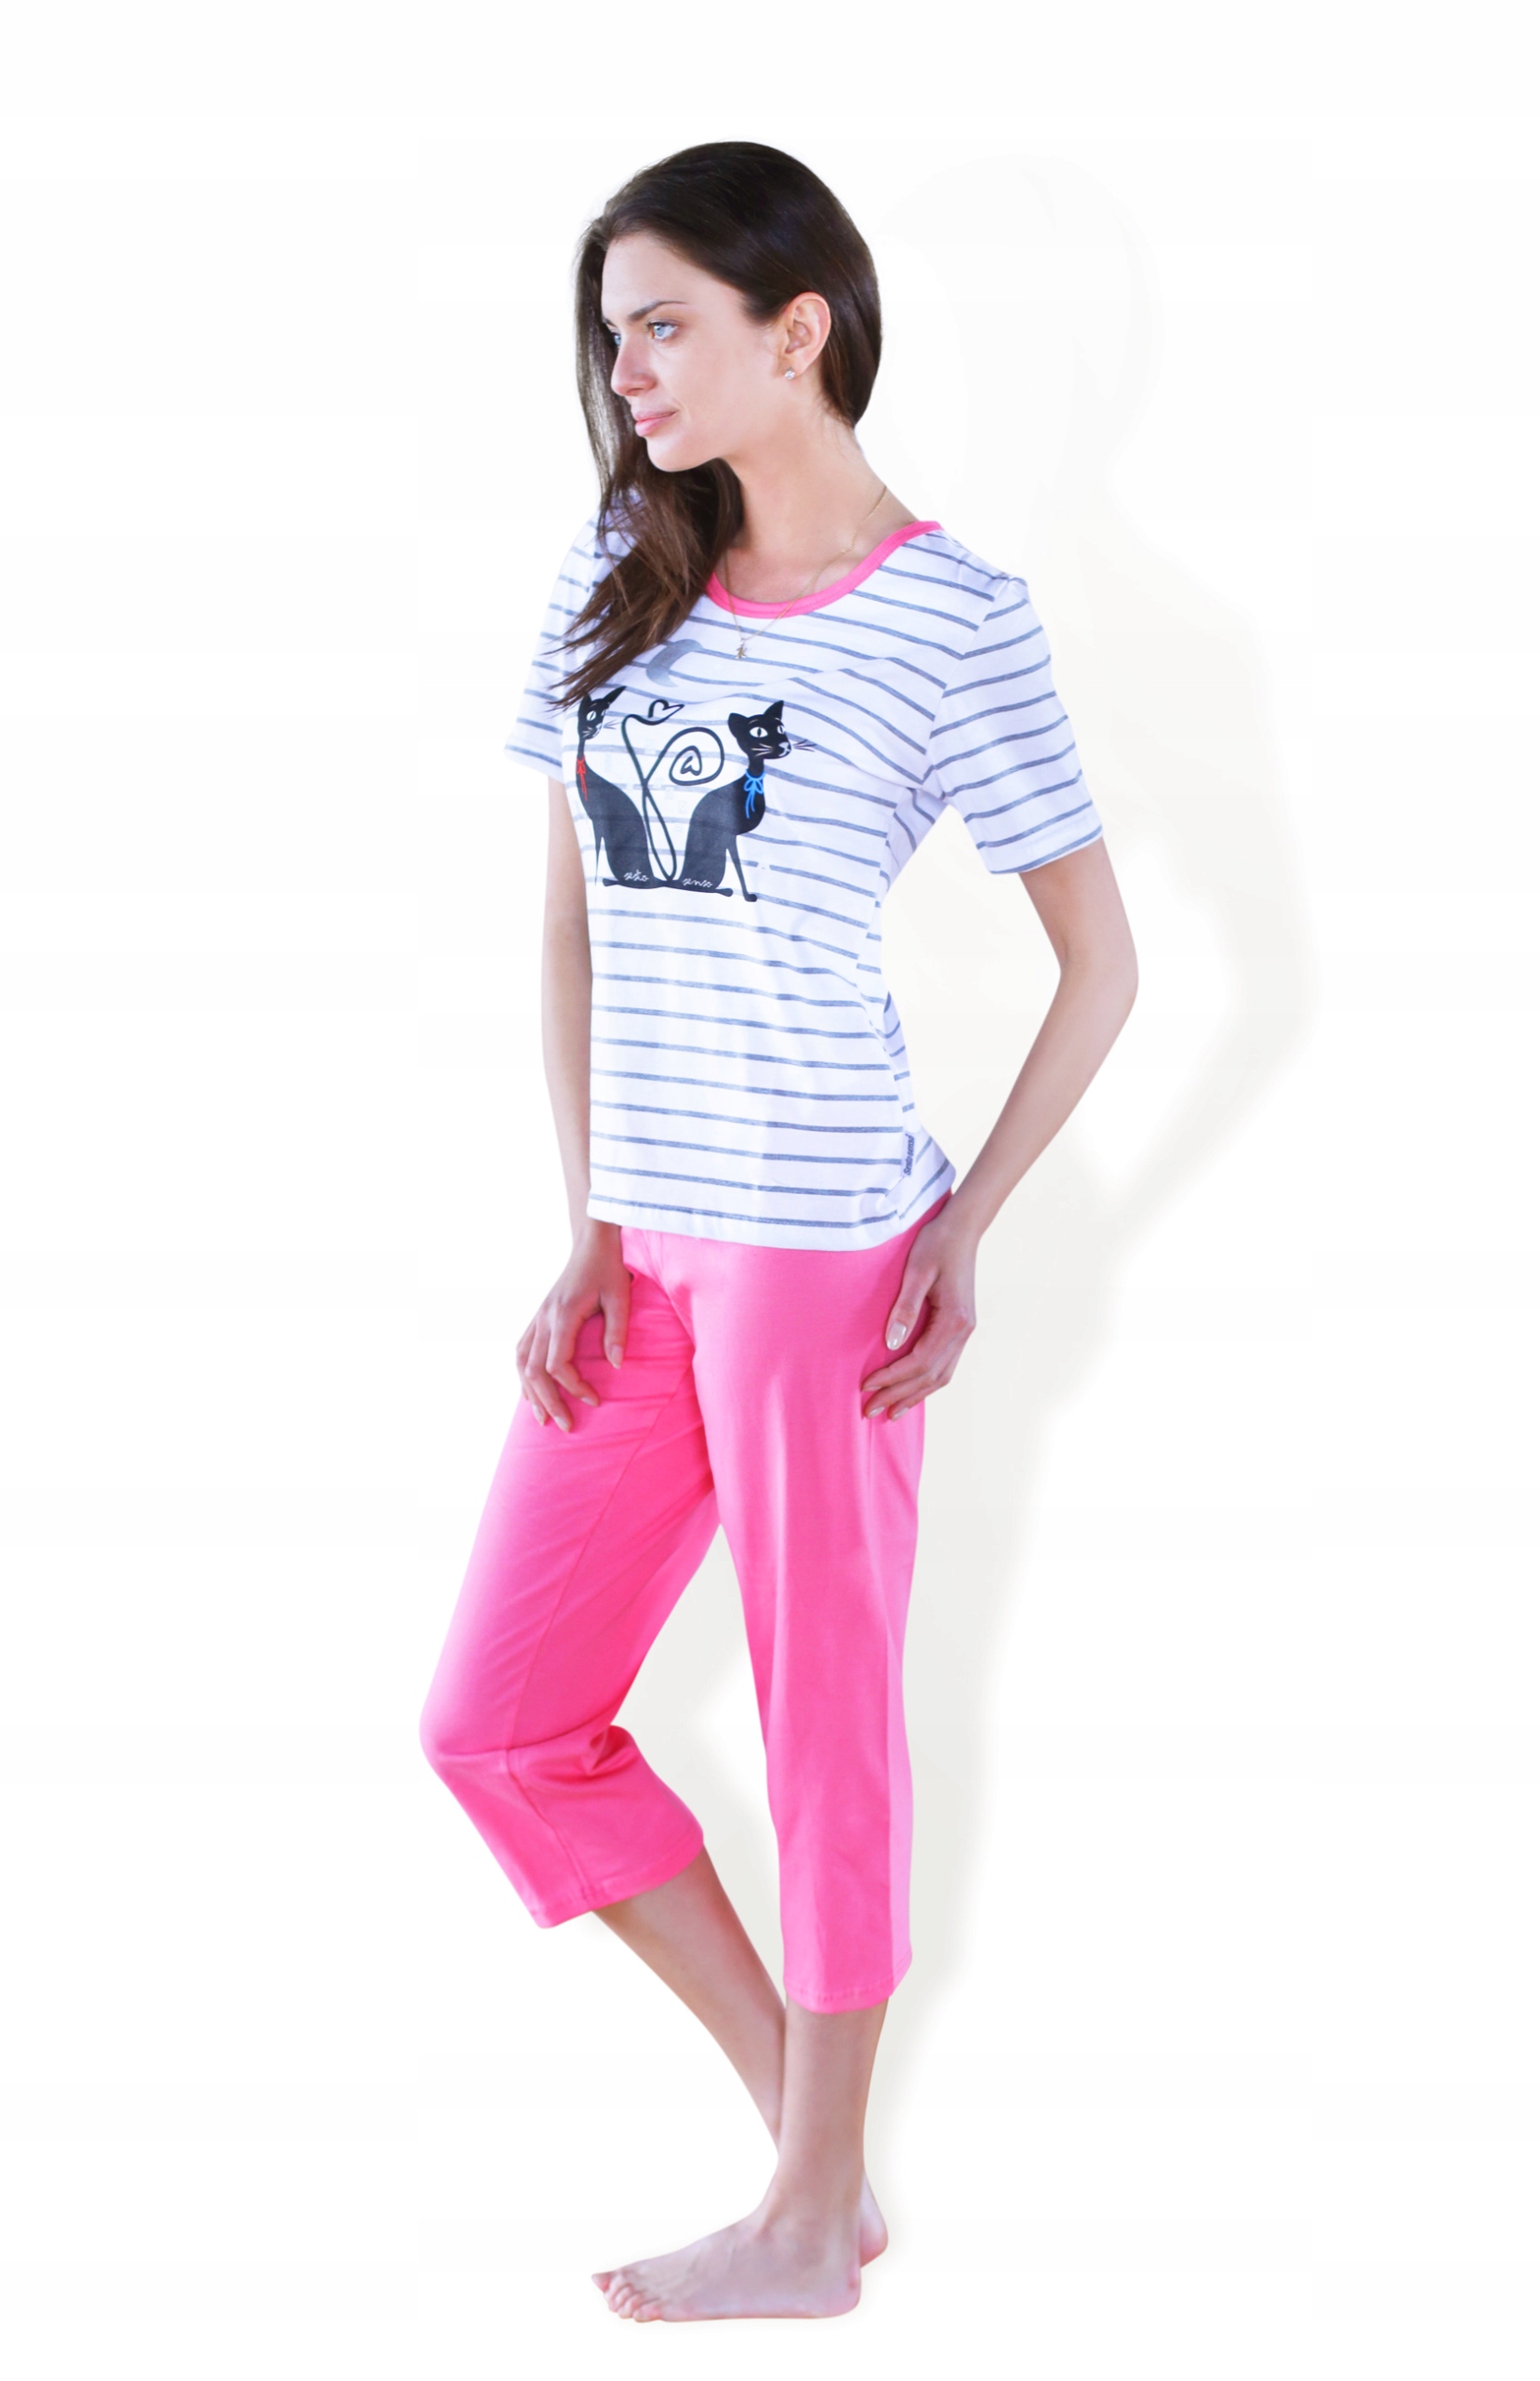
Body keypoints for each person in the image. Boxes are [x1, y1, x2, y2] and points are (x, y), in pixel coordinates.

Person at [418, 139, 1138, 2323]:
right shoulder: (614, 570)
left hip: (828, 1249)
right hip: (643, 1251)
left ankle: (809, 2215)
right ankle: (810, 2145)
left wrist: (968, 1222)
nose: (625, 372)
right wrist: (585, 1220)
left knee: (827, 1721)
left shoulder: (952, 613)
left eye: (664, 325)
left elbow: (1097, 962)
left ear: (794, 327)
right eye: (610, 334)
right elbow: (572, 928)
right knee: (497, 1718)